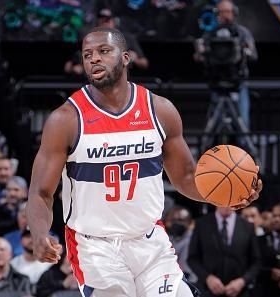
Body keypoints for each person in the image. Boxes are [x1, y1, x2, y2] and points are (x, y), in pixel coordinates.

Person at [26, 27, 262, 297]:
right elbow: (41, 192)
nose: (94, 59)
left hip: (150, 240)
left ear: (126, 57)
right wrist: (39, 232)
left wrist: (223, 195)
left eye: (104, 51)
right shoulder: (66, 119)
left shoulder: (159, 110)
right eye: (87, 54)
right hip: (94, 246)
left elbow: (185, 177)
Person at [193, 0, 257, 129]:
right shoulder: (209, 34)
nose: (224, 15)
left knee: (242, 123)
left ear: (234, 13)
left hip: (238, 83)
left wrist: (243, 51)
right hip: (216, 83)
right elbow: (199, 56)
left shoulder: (242, 33)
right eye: (221, 12)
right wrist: (200, 53)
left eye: (227, 11)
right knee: (213, 125)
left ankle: (243, 148)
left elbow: (254, 55)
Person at [188, 207, 261, 297]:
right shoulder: (201, 223)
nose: (227, 203)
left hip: (240, 291)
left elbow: (256, 261)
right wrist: (207, 278)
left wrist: (242, 281)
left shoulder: (247, 226)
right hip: (207, 290)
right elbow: (192, 258)